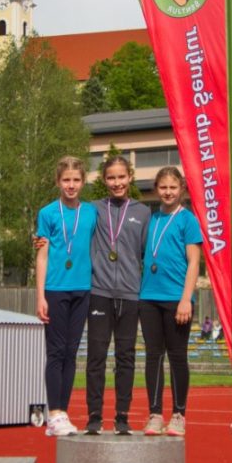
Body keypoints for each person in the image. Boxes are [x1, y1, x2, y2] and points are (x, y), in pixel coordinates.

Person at [85, 155, 151, 435]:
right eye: (111, 178)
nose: (116, 183)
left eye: (121, 177)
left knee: (126, 357)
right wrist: (43, 239)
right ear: (104, 180)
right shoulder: (93, 210)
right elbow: (73, 234)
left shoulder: (144, 212)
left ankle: (122, 416)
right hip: (99, 292)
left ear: (130, 177)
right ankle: (94, 416)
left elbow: (150, 253)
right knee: (96, 356)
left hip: (131, 294)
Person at [34, 156, 98, 437]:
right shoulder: (47, 213)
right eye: (66, 180)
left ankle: (63, 413)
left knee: (72, 353)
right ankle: (54, 413)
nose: (71, 185)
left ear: (83, 182)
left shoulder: (91, 213)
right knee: (56, 352)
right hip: (55, 289)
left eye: (76, 180)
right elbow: (42, 254)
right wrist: (40, 296)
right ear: (57, 182)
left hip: (82, 289)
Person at [138, 166, 202, 437]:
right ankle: (154, 413)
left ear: (182, 190)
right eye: (163, 187)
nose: (167, 192)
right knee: (153, 356)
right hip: (148, 297)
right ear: (156, 189)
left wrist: (186, 299)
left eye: (173, 187)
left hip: (177, 298)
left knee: (177, 356)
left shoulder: (188, 220)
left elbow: (194, 261)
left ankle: (178, 414)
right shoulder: (150, 220)